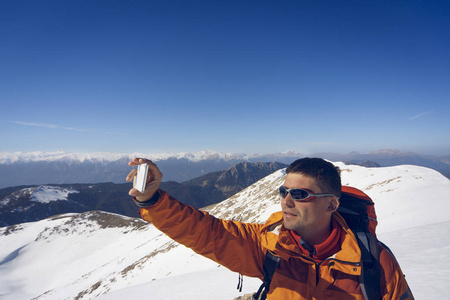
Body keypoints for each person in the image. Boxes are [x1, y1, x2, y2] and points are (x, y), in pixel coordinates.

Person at [126, 157, 413, 299]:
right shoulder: (270, 244)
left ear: (331, 205)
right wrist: (152, 199)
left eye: (300, 195)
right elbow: (208, 233)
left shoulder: (374, 262)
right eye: (283, 191)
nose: (286, 201)